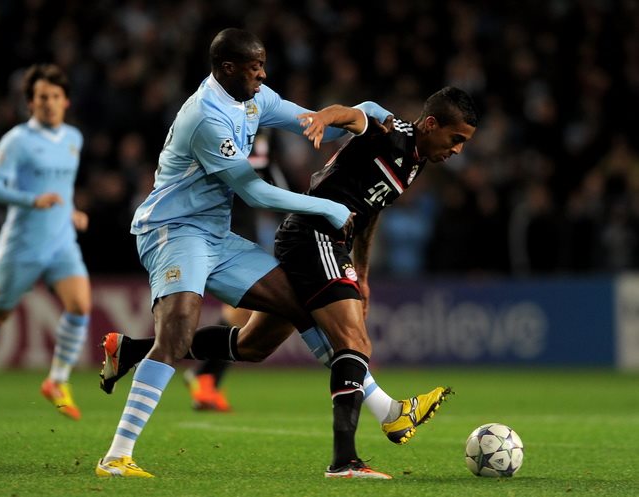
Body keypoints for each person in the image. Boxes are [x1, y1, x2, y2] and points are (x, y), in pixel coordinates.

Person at [99, 86, 477, 478]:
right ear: (430, 124)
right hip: (308, 236)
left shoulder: (414, 159)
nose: (458, 150)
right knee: (353, 341)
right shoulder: (390, 134)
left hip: (293, 237)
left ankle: (131, 350)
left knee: (254, 344)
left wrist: (362, 273)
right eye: (456, 139)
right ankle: (350, 455)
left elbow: (372, 209)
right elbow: (349, 116)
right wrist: (324, 118)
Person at [95, 27, 394, 479]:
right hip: (173, 231)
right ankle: (117, 456)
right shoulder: (205, 117)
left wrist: (365, 113)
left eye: (263, 65)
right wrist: (327, 207)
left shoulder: (254, 98)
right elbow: (254, 192)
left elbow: (315, 122)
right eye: (254, 67)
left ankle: (383, 409)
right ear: (227, 68)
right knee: (176, 333)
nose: (263, 73)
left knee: (303, 304)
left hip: (217, 236)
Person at [0, 64, 91, 422]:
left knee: (80, 305)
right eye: (42, 97)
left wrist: (72, 211)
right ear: (30, 102)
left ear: (66, 101)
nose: (49, 103)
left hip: (61, 241)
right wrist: (32, 200)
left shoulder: (74, 138)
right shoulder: (17, 140)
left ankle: (56, 380)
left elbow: (62, 188)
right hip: (22, 245)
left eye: (55, 96)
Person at [182, 131, 286, 412]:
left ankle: (205, 377)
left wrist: (291, 213)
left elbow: (268, 172)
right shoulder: (223, 126)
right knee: (241, 310)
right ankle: (202, 374)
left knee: (240, 313)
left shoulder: (264, 131)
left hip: (243, 227)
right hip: (221, 226)